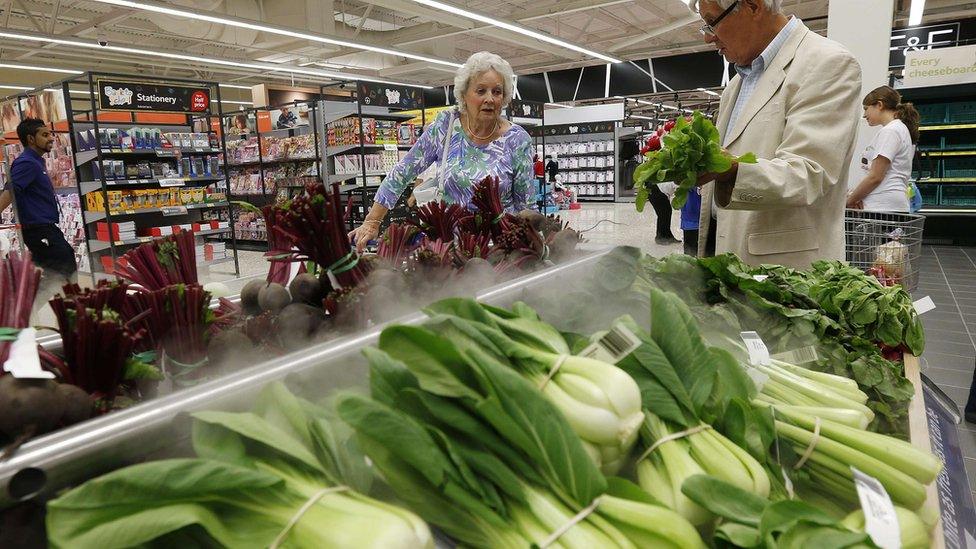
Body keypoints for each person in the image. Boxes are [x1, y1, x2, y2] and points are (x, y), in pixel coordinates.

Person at [689, 0, 862, 269]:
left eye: (712, 22)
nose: (708, 36)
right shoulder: (735, 85)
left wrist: (729, 170)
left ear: (753, 6)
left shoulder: (827, 63)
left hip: (785, 270)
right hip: (728, 256)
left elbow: (809, 173)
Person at [349, 51, 534, 251]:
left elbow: (526, 207)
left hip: (498, 249)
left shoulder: (517, 140)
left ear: (504, 97)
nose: (490, 98)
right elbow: (402, 172)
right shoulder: (445, 126)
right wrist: (372, 221)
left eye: (497, 92)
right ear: (464, 94)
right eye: (481, 91)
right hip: (448, 248)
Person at [0, 119, 77, 310]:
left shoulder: (35, 161)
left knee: (52, 271)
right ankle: (22, 313)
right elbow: (11, 191)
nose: (51, 138)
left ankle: (20, 312)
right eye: (45, 135)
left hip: (45, 228)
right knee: (64, 266)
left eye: (50, 134)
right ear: (30, 139)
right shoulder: (27, 163)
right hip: (38, 229)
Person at [846, 86, 919, 212]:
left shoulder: (890, 131)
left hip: (882, 205)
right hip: (890, 204)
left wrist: (850, 200)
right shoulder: (899, 129)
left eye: (866, 109)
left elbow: (875, 176)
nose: (864, 115)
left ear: (879, 105)